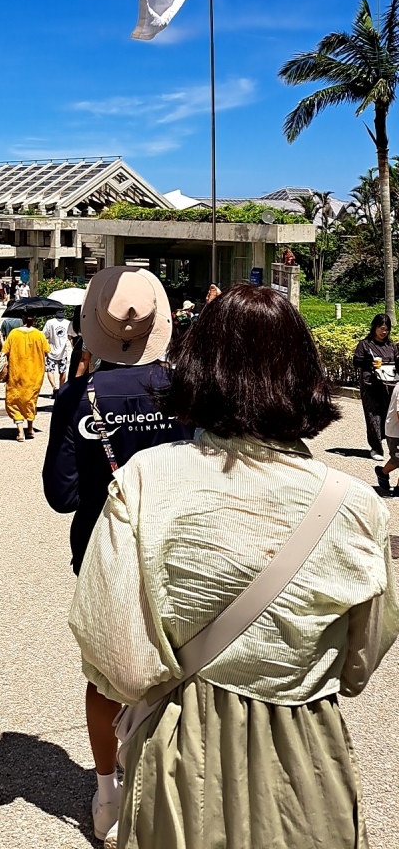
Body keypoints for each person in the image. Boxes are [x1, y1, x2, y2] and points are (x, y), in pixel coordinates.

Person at [69, 284, 399, 849]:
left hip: (181, 755)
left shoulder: (145, 481)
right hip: (307, 760)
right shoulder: (355, 506)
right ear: (306, 375)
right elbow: (359, 664)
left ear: (197, 369)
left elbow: (116, 658)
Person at [43, 266, 191, 842]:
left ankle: (107, 792)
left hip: (101, 550)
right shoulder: (185, 390)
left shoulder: (76, 397)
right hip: (176, 548)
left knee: (107, 673)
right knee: (181, 665)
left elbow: (62, 495)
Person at [353, 314, 399, 459]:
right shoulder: (365, 344)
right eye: (381, 328)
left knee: (388, 416)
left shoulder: (391, 345)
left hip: (389, 385)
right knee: (373, 416)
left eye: (386, 329)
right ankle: (376, 448)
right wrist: (368, 362)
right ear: (374, 327)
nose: (383, 332)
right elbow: (356, 361)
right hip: (370, 385)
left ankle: (392, 446)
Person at [2, 313, 50, 441]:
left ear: (22, 319)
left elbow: (4, 351)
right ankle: (30, 429)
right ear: (34, 320)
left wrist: (1, 339)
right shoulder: (39, 335)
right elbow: (46, 352)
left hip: (16, 374)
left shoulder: (13, 334)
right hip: (35, 374)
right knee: (31, 400)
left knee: (14, 401)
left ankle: (20, 432)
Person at [43, 307, 71, 396]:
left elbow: (44, 335)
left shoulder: (49, 322)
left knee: (50, 370)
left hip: (51, 351)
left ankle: (54, 387)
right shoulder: (68, 323)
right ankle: (61, 390)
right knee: (63, 371)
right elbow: (70, 336)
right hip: (63, 352)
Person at [68, 306, 91, 379]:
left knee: (73, 369)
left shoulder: (72, 323)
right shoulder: (87, 322)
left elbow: (69, 336)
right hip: (86, 347)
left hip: (76, 348)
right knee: (85, 369)